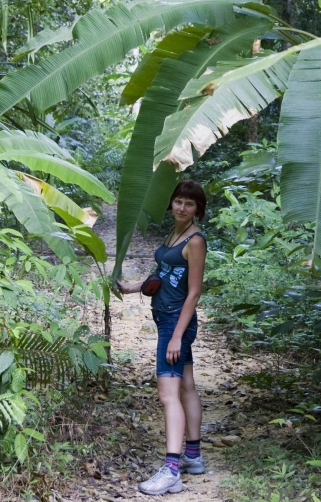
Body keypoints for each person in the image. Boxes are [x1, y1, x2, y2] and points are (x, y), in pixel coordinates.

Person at [116, 179, 208, 496]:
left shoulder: (195, 240)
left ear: (198, 209)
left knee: (168, 396)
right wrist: (133, 288)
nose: (182, 207)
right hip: (168, 319)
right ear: (172, 203)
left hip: (175, 322)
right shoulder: (175, 232)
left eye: (190, 203)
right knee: (185, 385)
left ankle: (171, 470)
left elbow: (194, 293)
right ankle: (192, 457)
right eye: (179, 201)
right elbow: (165, 275)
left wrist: (176, 337)